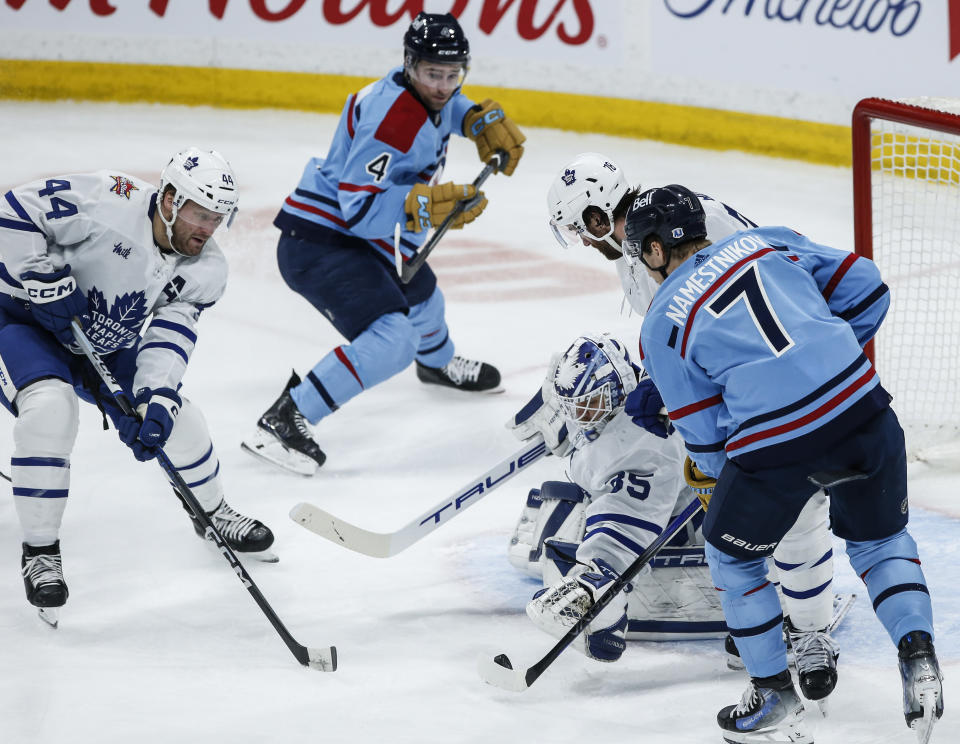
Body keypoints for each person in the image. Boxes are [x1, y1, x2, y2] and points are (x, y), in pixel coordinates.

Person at [624, 184, 943, 743]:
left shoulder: (659, 323)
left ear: (654, 251)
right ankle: (919, 662)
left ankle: (772, 696)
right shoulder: (766, 240)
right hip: (863, 409)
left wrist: (721, 491)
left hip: (778, 448)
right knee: (880, 543)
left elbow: (705, 440)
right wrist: (827, 355)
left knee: (733, 559)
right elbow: (867, 286)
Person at [530, 155, 844, 703]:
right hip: (730, 387)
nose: (585, 240)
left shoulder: (697, 221)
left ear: (605, 210)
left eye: (587, 226)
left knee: (783, 499)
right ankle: (614, 570)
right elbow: (677, 334)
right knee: (648, 450)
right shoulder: (634, 255)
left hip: (770, 383)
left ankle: (799, 621)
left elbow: (760, 303)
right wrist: (662, 384)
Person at [0, 148, 276, 627]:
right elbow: (12, 212)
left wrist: (155, 399)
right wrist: (38, 274)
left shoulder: (205, 269)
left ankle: (211, 514)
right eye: (200, 213)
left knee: (179, 418)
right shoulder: (108, 198)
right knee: (51, 407)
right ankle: (40, 552)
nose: (208, 228)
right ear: (169, 199)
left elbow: (168, 340)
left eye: (217, 218)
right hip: (17, 318)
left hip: (99, 342)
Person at [241, 11, 526, 476]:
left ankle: (435, 365)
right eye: (433, 73)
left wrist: (472, 117)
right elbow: (356, 207)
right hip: (321, 241)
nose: (443, 85)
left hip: (360, 236)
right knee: (393, 341)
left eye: (454, 75)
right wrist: (425, 204)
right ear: (410, 66)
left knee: (425, 301)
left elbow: (443, 106)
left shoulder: (418, 91)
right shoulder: (392, 121)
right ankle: (286, 418)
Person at [507, 332, 726, 663]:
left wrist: (597, 578)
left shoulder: (645, 444)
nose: (581, 416)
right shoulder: (627, 394)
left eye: (589, 405)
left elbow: (625, 519)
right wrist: (563, 419)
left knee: (560, 553)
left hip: (688, 519)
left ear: (616, 390)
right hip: (660, 490)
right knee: (559, 505)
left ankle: (609, 619)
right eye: (573, 408)